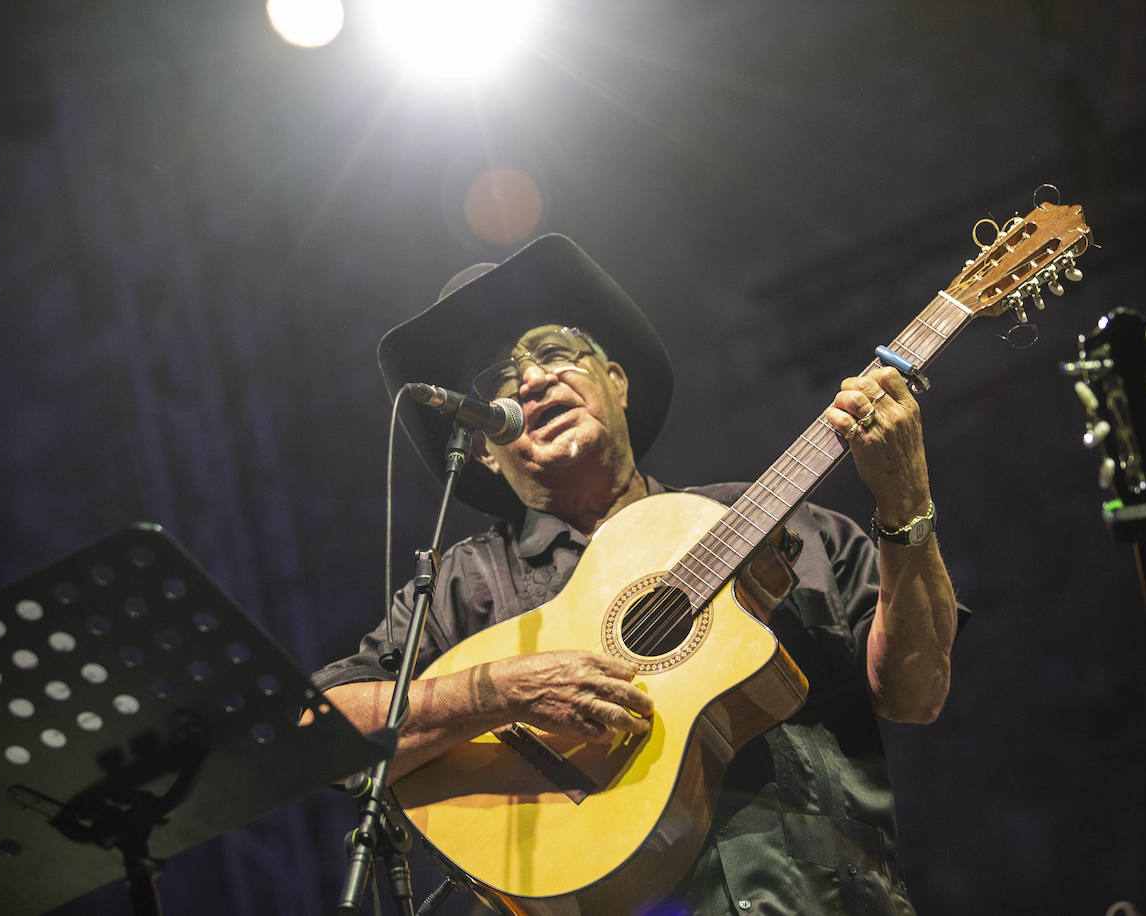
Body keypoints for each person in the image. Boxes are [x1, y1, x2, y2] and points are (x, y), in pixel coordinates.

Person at [312, 234, 961, 915]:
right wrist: (499, 690)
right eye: (497, 380)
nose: (531, 379)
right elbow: (319, 735)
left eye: (556, 352)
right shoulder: (462, 586)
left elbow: (917, 694)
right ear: (479, 447)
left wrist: (905, 501)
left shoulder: (786, 521)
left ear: (617, 383)